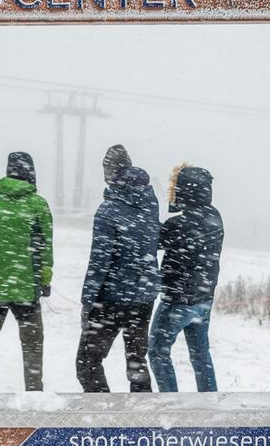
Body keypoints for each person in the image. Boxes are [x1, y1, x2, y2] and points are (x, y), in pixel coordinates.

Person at [0, 152, 54, 393]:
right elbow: (45, 248)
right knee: (33, 345)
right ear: (31, 174)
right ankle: (34, 393)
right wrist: (44, 280)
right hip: (26, 289)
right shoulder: (38, 204)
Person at [76, 144, 160, 393]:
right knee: (136, 363)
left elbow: (99, 261)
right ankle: (141, 419)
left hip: (113, 299)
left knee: (87, 364)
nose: (104, 172)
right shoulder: (150, 202)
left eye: (106, 167)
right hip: (144, 296)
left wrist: (87, 301)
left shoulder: (108, 211)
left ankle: (105, 419)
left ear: (115, 170)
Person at [148, 165, 224, 392]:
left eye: (177, 188)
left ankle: (172, 403)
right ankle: (209, 401)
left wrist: (152, 208)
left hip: (177, 301)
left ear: (186, 192)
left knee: (157, 351)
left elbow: (154, 240)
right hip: (204, 300)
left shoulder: (179, 225)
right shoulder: (214, 217)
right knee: (200, 356)